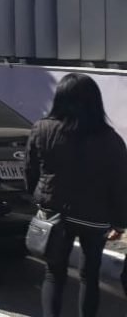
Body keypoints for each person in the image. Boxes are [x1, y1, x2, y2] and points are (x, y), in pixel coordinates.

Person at [25, 74, 127, 317]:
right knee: (89, 276)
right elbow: (120, 184)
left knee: (53, 273)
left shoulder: (42, 129)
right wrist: (120, 223)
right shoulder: (111, 139)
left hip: (54, 211)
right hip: (95, 217)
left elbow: (31, 169)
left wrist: (37, 200)